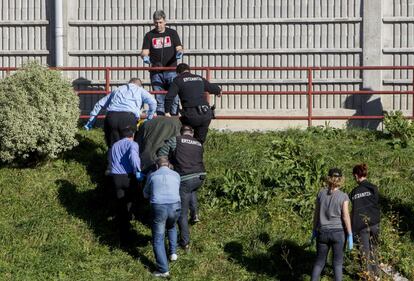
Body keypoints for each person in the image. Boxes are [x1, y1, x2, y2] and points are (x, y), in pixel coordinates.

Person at [157, 125, 205, 250]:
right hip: (200, 176)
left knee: (182, 214)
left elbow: (162, 154)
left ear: (181, 132)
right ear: (192, 133)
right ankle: (195, 215)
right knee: (192, 190)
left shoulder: (176, 140)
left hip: (185, 177)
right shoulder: (199, 144)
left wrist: (169, 166)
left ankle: (185, 242)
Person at [84, 78, 156, 148]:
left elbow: (99, 104)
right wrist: (149, 117)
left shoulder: (117, 89)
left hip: (111, 117)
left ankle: (110, 159)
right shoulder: (140, 90)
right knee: (128, 146)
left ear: (129, 83)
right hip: (128, 118)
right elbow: (153, 102)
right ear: (139, 85)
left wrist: (89, 124)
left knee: (112, 147)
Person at [311, 168, 353, 281]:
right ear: (341, 179)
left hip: (322, 232)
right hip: (338, 233)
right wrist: (349, 234)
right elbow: (345, 216)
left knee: (319, 262)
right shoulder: (343, 196)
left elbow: (316, 214)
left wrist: (314, 230)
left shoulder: (321, 193)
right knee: (337, 264)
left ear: (328, 178)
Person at [164, 63, 222, 144]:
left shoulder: (178, 80)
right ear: (189, 70)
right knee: (199, 142)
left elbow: (169, 97)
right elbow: (213, 88)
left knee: (182, 135)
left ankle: (181, 150)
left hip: (190, 115)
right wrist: (218, 91)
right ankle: (197, 153)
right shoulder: (199, 78)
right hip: (205, 114)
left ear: (178, 72)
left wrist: (167, 112)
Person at [143, 157, 181, 278]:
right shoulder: (176, 175)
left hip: (159, 206)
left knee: (158, 239)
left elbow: (145, 193)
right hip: (176, 205)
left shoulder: (152, 175)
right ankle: (173, 253)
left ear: (157, 166)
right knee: (171, 226)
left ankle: (163, 270)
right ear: (169, 165)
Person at [141, 10, 183, 116]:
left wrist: (180, 52)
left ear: (165, 22)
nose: (158, 25)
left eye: (160, 22)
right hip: (156, 72)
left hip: (172, 70)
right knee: (159, 98)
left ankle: (174, 120)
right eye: (156, 22)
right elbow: (144, 51)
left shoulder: (172, 33)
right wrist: (145, 57)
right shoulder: (149, 35)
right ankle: (161, 119)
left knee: (174, 97)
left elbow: (179, 47)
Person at [109, 126, 145, 247]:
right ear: (132, 135)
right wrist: (138, 171)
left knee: (121, 202)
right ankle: (129, 229)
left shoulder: (115, 145)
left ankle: (121, 231)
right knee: (131, 199)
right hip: (128, 176)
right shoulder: (132, 144)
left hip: (115, 177)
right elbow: (134, 158)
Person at [350, 164, 381, 279]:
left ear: (356, 175)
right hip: (375, 223)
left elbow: (354, 210)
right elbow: (375, 203)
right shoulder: (373, 188)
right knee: (374, 249)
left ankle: (368, 277)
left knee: (365, 252)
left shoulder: (353, 192)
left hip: (361, 225)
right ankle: (376, 274)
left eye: (354, 176)